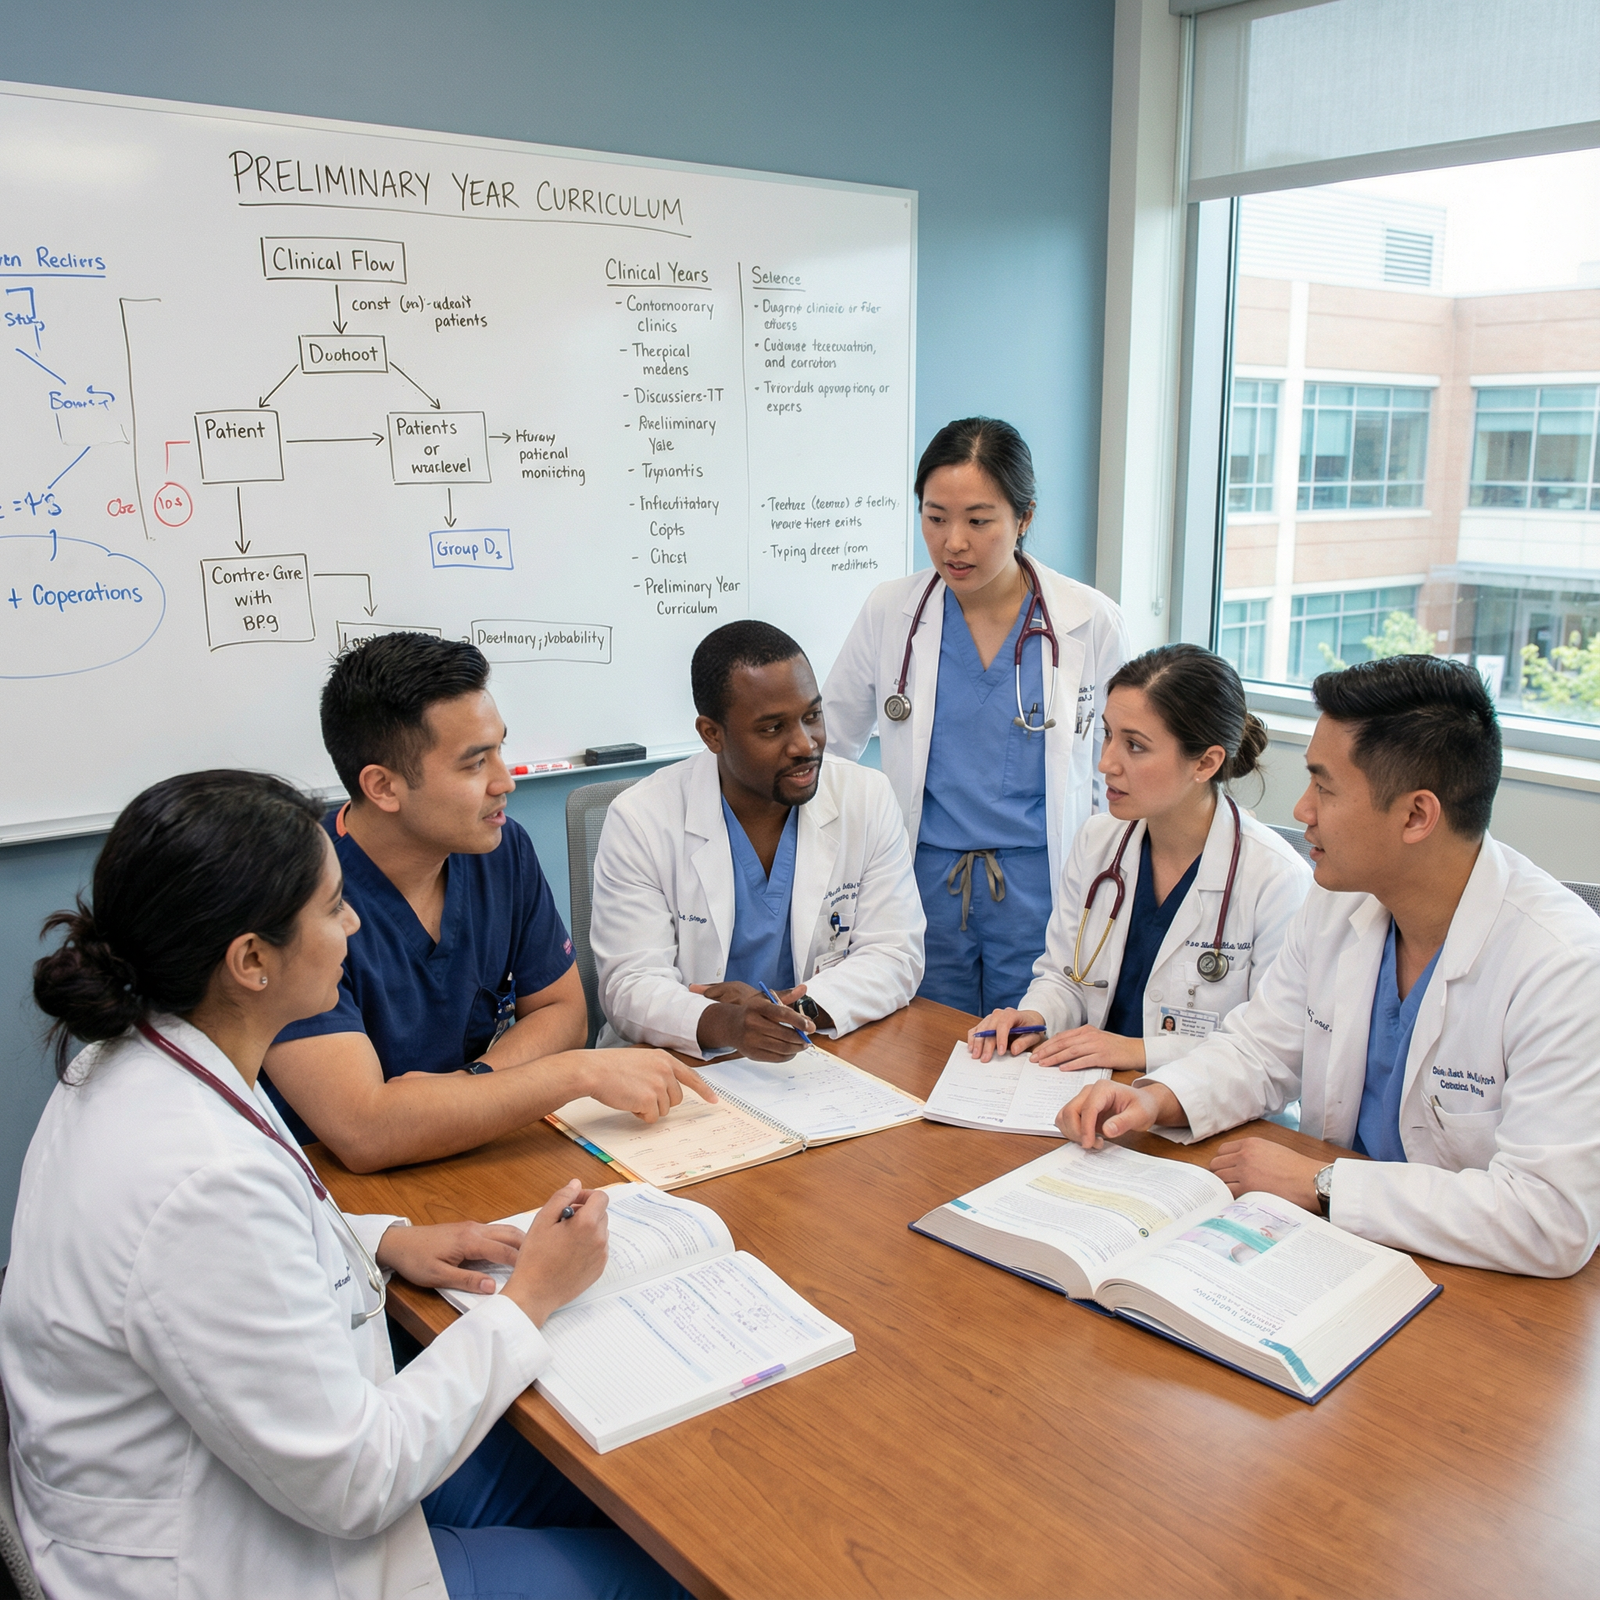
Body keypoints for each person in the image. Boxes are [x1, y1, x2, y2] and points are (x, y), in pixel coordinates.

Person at [0, 770, 690, 1600]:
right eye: (332, 908)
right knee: (660, 1571)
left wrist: (382, 1240)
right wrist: (531, 1297)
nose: (356, 924)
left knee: (629, 1484)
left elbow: (217, 1265)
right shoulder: (199, 1179)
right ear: (251, 960)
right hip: (252, 1559)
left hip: (276, 1478)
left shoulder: (148, 1056)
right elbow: (356, 1482)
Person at [1058, 655, 1600, 1278]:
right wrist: (1155, 1100)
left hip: (1477, 1284)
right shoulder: (1339, 903)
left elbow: (1549, 1218)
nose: (1302, 809)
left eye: (1325, 787)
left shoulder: (1565, 968)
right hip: (1325, 1251)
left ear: (1417, 815)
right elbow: (1260, 1051)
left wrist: (1326, 1184)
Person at [261, 632, 712, 1171]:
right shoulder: (294, 898)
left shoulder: (500, 848)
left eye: (501, 748)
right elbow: (365, 1130)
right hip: (348, 1200)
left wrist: (471, 1088)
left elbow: (564, 1014)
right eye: (475, 764)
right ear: (383, 787)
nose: (505, 782)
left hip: (485, 1153)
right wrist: (573, 1074)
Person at [824, 417, 1130, 1015]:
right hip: (919, 885)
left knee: (1032, 1060)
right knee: (920, 1054)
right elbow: (830, 743)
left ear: (1025, 518)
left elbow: (1118, 769)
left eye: (978, 521)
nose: (953, 542)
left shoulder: (1088, 621)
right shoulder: (892, 611)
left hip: (1045, 891)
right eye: (935, 518)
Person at [590, 620, 925, 1058]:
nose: (805, 744)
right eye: (772, 728)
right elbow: (629, 984)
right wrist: (729, 1025)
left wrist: (786, 1013)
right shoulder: (642, 818)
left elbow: (895, 954)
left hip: (815, 1055)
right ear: (712, 734)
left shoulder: (866, 797)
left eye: (812, 716)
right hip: (679, 1063)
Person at [968, 645, 1310, 1072]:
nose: (1105, 762)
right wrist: (1036, 1017)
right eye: (1108, 734)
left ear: (1205, 762)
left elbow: (1272, 1050)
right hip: (1090, 1091)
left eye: (1135, 745)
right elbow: (1065, 979)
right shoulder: (1098, 841)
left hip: (1208, 1115)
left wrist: (1138, 1051)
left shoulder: (1277, 879)